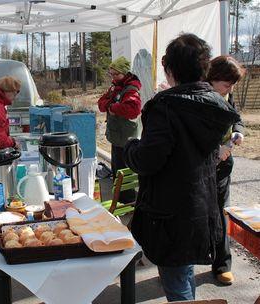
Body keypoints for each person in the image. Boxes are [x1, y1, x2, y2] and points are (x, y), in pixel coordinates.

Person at [123, 34, 240, 301]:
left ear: (170, 70)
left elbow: (147, 160)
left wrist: (131, 146)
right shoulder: (214, 105)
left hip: (168, 213)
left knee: (176, 284)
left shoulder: (165, 107)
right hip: (199, 207)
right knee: (183, 273)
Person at [207, 55, 245, 285]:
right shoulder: (199, 97)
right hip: (201, 167)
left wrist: (237, 131)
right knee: (196, 215)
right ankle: (181, 268)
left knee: (221, 211)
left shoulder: (226, 94)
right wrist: (215, 150)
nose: (229, 89)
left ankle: (222, 263)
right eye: (226, 84)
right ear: (212, 78)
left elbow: (237, 117)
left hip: (223, 166)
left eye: (232, 85)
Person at [97, 56, 142, 203]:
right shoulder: (116, 87)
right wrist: (111, 106)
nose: (114, 77)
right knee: (117, 169)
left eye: (117, 74)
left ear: (125, 73)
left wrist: (113, 107)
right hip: (117, 137)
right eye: (112, 74)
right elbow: (101, 103)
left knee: (124, 170)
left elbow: (133, 109)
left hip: (126, 138)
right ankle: (121, 198)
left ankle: (127, 200)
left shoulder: (131, 89)